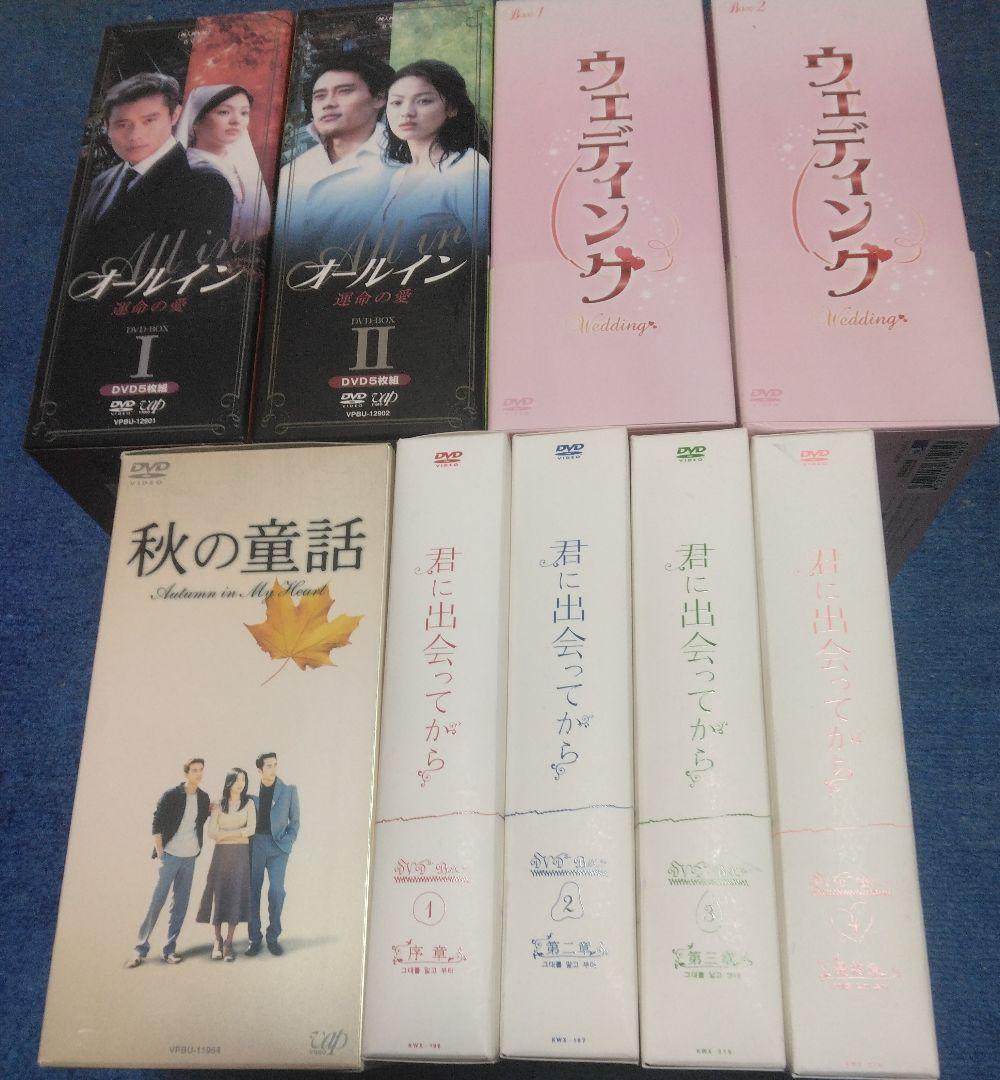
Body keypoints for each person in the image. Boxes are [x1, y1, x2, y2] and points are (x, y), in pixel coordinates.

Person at [76, 72, 234, 267]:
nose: (135, 135)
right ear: (107, 126)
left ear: (175, 115)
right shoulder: (101, 182)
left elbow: (195, 271)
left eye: (149, 121)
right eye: (122, 124)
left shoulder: (205, 183)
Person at [277, 49, 397, 255]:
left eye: (344, 91)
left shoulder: (404, 161)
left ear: (379, 98)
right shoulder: (291, 172)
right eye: (319, 96)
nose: (328, 103)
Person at [376, 60, 490, 254]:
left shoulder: (466, 168)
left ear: (451, 108)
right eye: (396, 102)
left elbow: (488, 251)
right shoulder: (398, 175)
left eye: (423, 101)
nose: (406, 112)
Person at [126, 757, 211, 967]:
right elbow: (157, 822)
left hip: (190, 858)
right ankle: (139, 949)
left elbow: (202, 818)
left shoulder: (203, 797)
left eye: (201, 769)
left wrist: (214, 809)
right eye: (194, 770)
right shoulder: (172, 795)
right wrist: (160, 851)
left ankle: (169, 950)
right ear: (186, 773)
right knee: (157, 901)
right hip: (170, 855)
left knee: (180, 904)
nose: (198, 773)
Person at [174, 84, 271, 243]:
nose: (236, 121)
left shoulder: (240, 165)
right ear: (195, 121)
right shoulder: (191, 171)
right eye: (224, 112)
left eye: (244, 113)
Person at [196, 766, 256, 961]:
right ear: (229, 782)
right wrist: (238, 835)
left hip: (240, 857)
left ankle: (229, 942)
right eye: (238, 780)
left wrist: (225, 835)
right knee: (219, 895)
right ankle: (217, 940)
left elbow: (251, 829)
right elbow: (212, 832)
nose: (241, 784)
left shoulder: (248, 804)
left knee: (235, 896)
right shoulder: (218, 804)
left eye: (244, 780)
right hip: (221, 856)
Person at [246, 753, 300, 956]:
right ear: (259, 769)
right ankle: (254, 939)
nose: (273, 769)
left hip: (278, 848)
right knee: (253, 892)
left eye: (275, 765)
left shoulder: (288, 790)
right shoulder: (250, 792)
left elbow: (295, 822)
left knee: (277, 892)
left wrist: (288, 841)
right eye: (268, 766)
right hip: (255, 845)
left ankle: (273, 937)